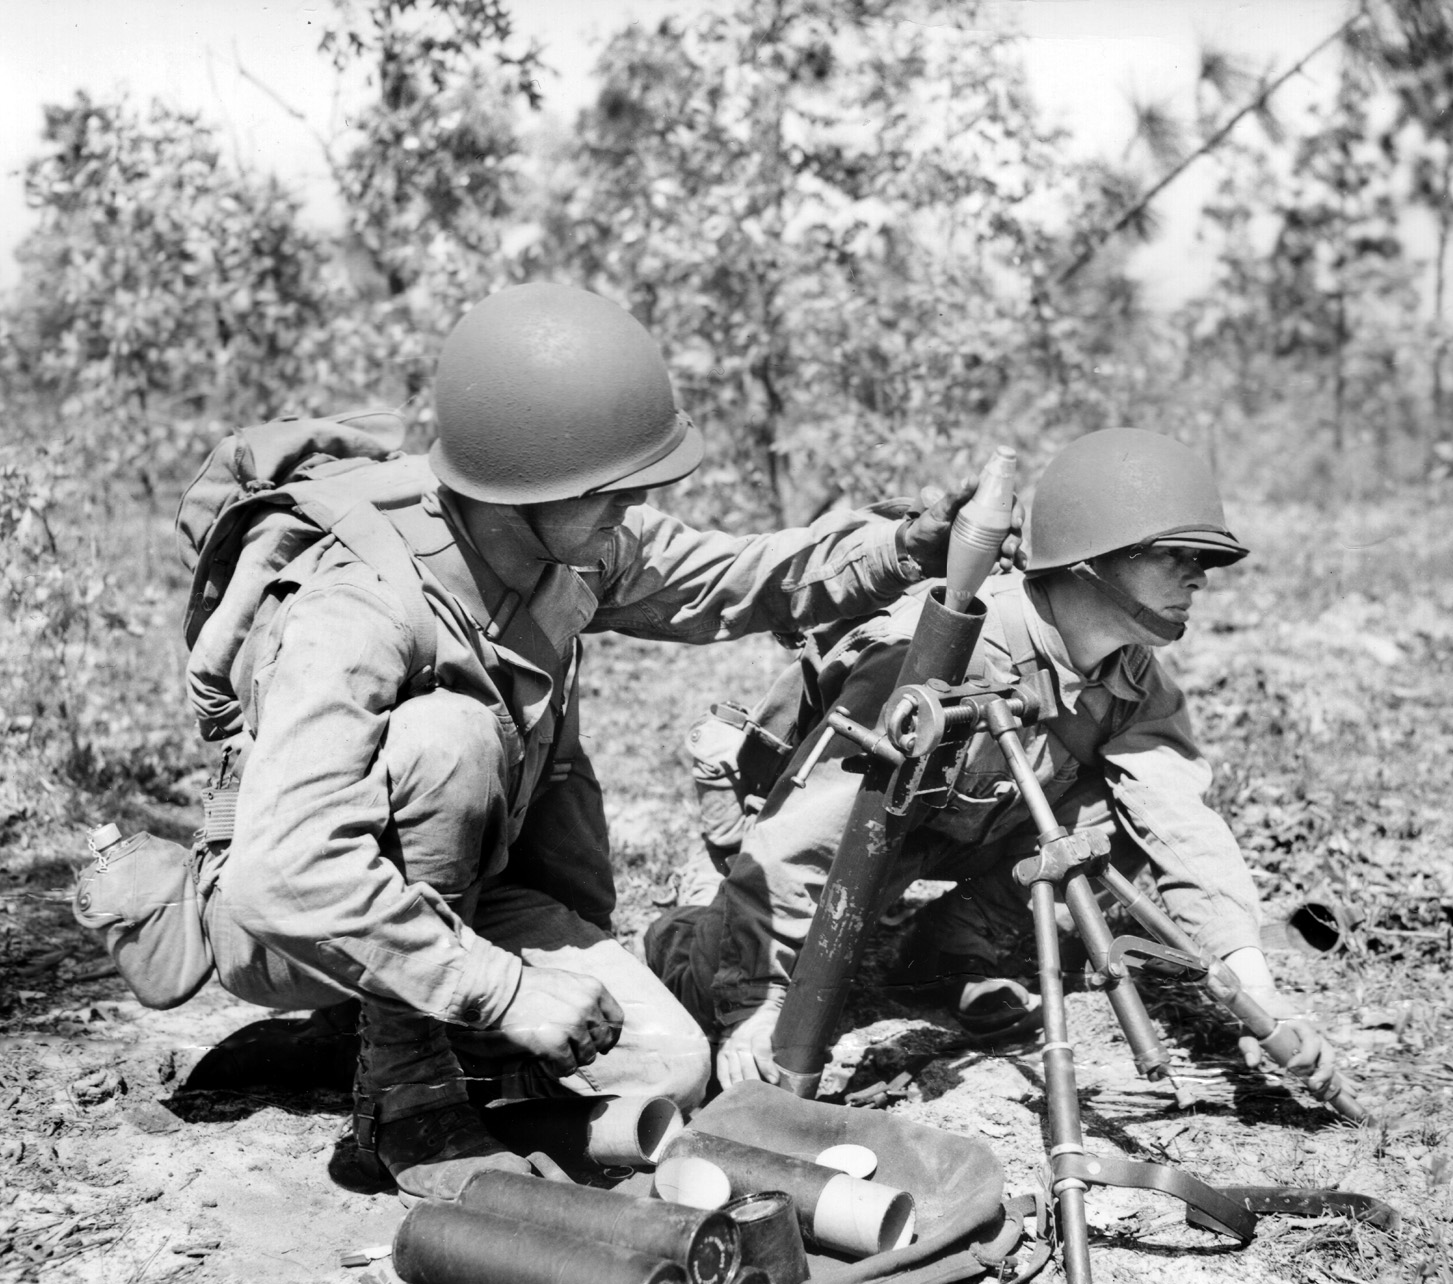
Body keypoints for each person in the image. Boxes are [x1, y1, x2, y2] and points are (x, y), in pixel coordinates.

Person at [189, 283, 992, 1199]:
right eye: (615, 489)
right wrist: (506, 991)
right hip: (289, 915)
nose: (638, 503)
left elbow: (733, 579)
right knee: (450, 740)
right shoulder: (358, 606)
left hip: (466, 894)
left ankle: (396, 1004)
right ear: (524, 488)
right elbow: (281, 870)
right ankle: (403, 1094)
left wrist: (905, 548)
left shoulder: (563, 541)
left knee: (668, 1067)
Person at [646, 428, 1336, 1095]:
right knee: (719, 991)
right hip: (799, 844)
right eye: (1176, 556)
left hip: (935, 835)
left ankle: (947, 949)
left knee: (1124, 817)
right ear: (1095, 557)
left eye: (1203, 562)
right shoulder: (944, 653)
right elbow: (805, 834)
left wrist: (1257, 993)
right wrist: (754, 999)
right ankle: (682, 935)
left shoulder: (1133, 680)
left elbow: (1184, 827)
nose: (1198, 579)